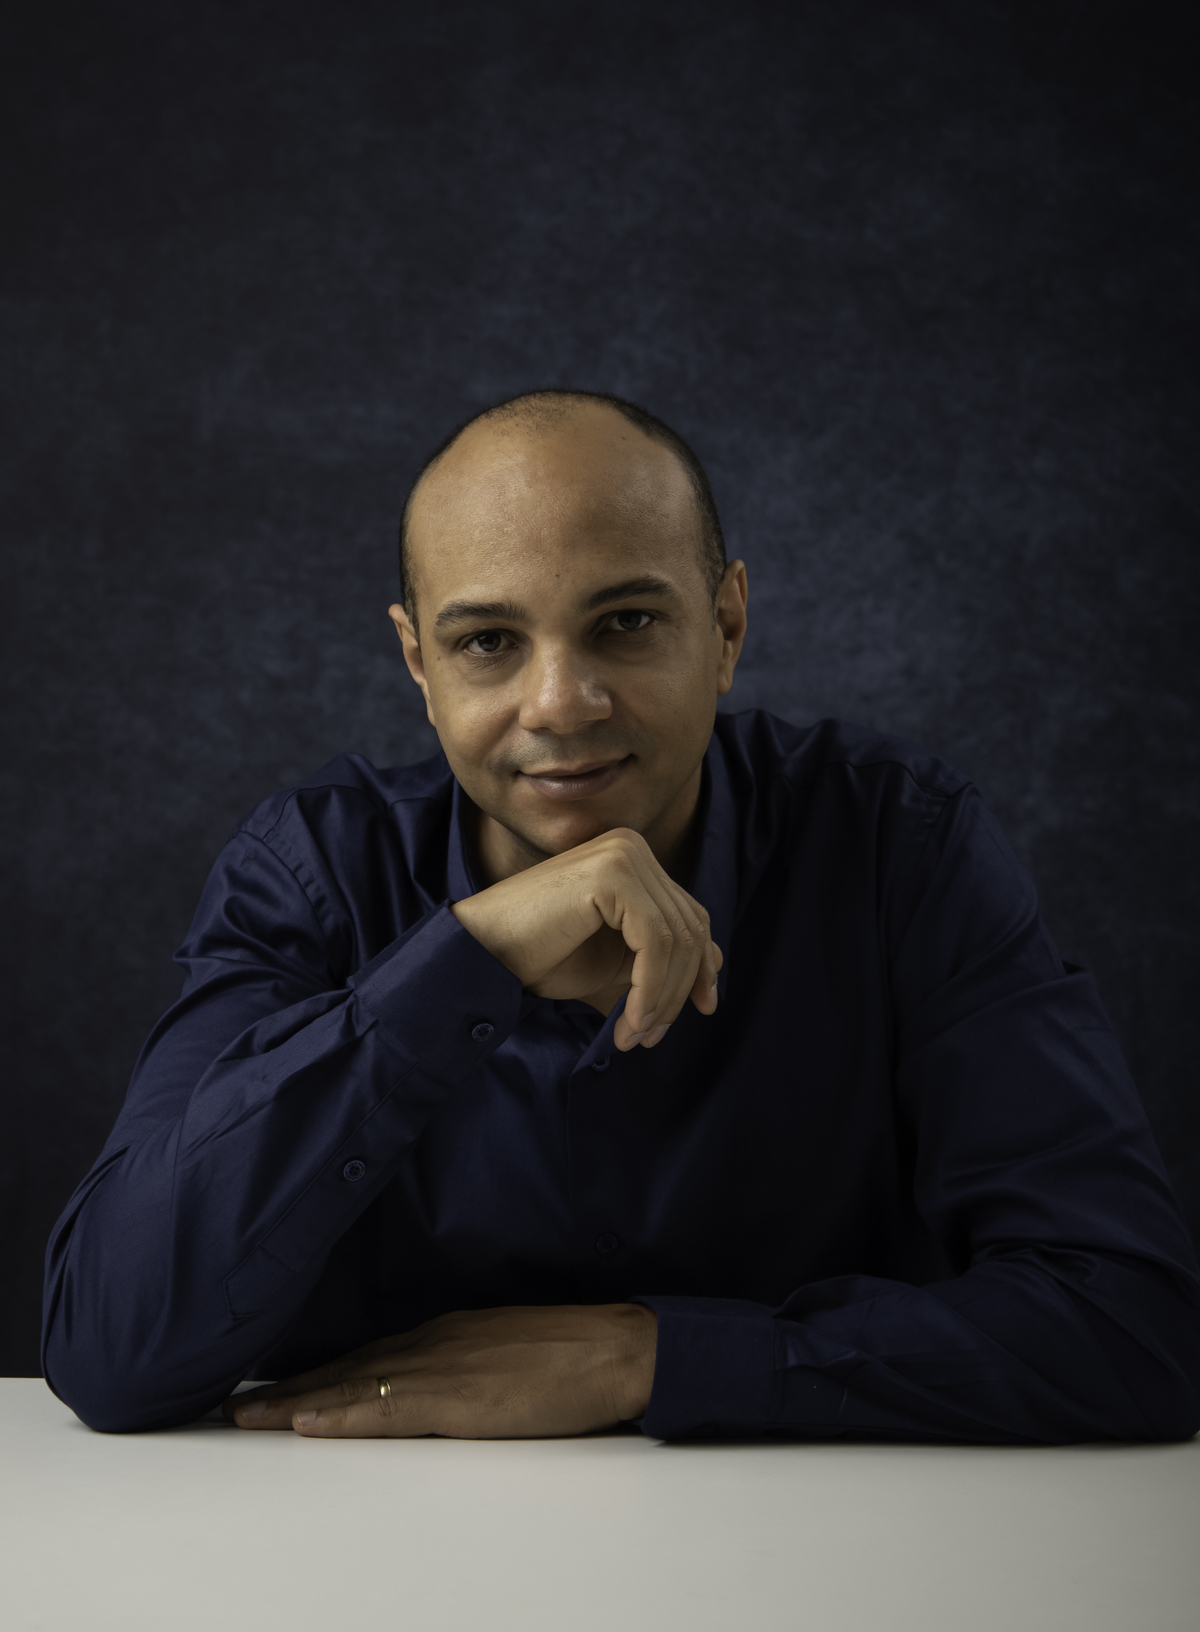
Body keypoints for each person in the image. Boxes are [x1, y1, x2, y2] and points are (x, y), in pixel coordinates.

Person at [43, 390, 1200, 1442]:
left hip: (819, 1556)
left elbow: (1133, 1324)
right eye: (487, 642)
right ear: (418, 664)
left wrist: (643, 1357)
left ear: (726, 627)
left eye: (627, 622)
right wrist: (469, 957)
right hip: (381, 1555)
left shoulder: (899, 845)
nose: (561, 703)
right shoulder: (310, 876)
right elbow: (107, 1348)